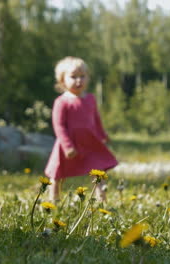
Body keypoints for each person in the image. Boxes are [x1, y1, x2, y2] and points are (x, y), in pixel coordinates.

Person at [44, 56, 118, 202]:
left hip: (90, 142)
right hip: (68, 144)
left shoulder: (90, 99)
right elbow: (59, 126)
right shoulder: (62, 102)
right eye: (73, 77)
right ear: (62, 80)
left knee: (98, 170)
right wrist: (67, 146)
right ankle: (54, 200)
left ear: (88, 78)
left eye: (82, 76)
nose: (79, 80)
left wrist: (103, 134)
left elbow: (96, 120)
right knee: (56, 173)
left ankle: (102, 201)